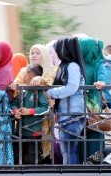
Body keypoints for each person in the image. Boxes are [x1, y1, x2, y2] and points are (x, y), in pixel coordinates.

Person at [47, 36, 86, 165]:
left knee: (69, 151)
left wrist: (51, 91)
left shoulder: (72, 66)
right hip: (68, 114)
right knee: (69, 150)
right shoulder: (68, 66)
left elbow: (72, 87)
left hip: (72, 113)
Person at [11, 64, 49, 164]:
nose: (20, 76)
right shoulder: (21, 89)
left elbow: (45, 108)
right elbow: (14, 103)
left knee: (33, 156)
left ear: (29, 75)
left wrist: (30, 111)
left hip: (34, 131)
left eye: (23, 73)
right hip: (20, 130)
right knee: (19, 156)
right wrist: (16, 111)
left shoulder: (38, 90)